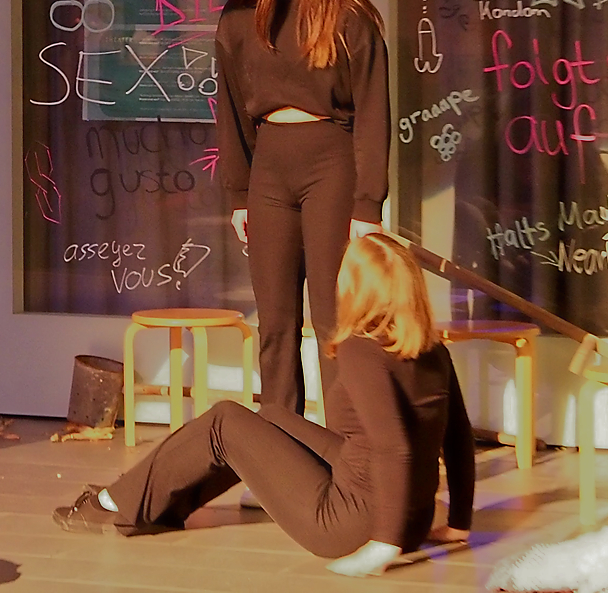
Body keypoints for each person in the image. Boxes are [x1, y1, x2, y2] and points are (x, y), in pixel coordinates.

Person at [52, 232, 474, 577]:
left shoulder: (362, 350)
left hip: (352, 523)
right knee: (270, 417)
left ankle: (114, 502)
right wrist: (458, 522)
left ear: (356, 288)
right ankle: (156, 506)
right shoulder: (434, 350)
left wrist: (384, 544)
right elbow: (458, 438)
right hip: (411, 518)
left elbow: (393, 446)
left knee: (224, 421)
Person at [213, 0, 391, 419]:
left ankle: (346, 445)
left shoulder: (348, 12)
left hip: (330, 162)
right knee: (275, 320)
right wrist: (239, 194)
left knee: (334, 318)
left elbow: (373, 110)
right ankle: (279, 443)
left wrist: (368, 204)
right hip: (269, 170)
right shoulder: (239, 16)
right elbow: (230, 111)